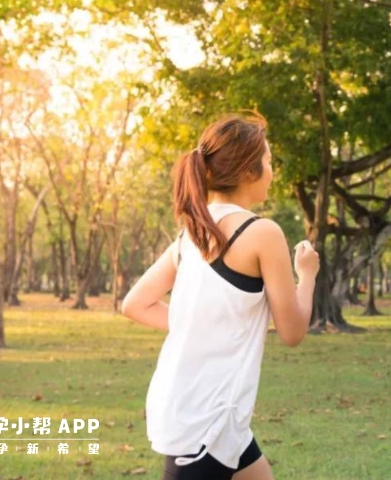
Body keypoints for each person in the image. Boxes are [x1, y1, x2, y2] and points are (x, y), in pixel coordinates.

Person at [121, 112, 319, 480]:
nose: (272, 171)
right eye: (269, 162)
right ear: (248, 170)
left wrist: (199, 326)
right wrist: (306, 275)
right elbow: (292, 332)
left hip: (208, 412)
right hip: (204, 421)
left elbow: (135, 304)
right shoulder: (263, 233)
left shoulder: (191, 234)